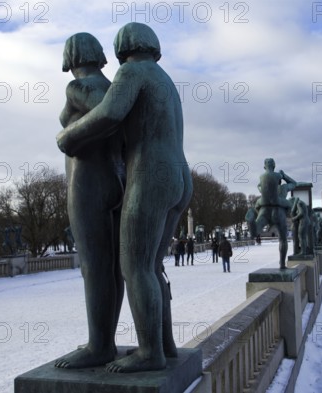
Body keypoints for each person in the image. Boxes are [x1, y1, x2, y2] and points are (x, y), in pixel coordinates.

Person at [57, 23, 192, 373]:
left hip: (151, 174)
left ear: (122, 47)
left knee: (135, 267)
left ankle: (150, 353)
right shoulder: (163, 78)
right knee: (152, 266)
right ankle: (165, 345)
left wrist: (68, 137)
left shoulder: (133, 71)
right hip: (179, 175)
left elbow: (110, 114)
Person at [54, 33, 125, 370]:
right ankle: (104, 340)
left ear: (70, 56)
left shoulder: (79, 87)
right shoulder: (113, 84)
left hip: (88, 180)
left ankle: (99, 345)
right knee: (113, 268)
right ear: (96, 53)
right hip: (117, 177)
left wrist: (67, 135)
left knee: (94, 266)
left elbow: (107, 119)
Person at [246, 158, 296, 269]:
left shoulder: (262, 185)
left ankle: (252, 225)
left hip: (264, 209)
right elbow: (294, 184)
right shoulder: (283, 188)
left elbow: (259, 186)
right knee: (282, 239)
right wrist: (284, 176)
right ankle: (282, 264)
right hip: (279, 211)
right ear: (274, 166)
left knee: (256, 230)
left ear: (265, 167)